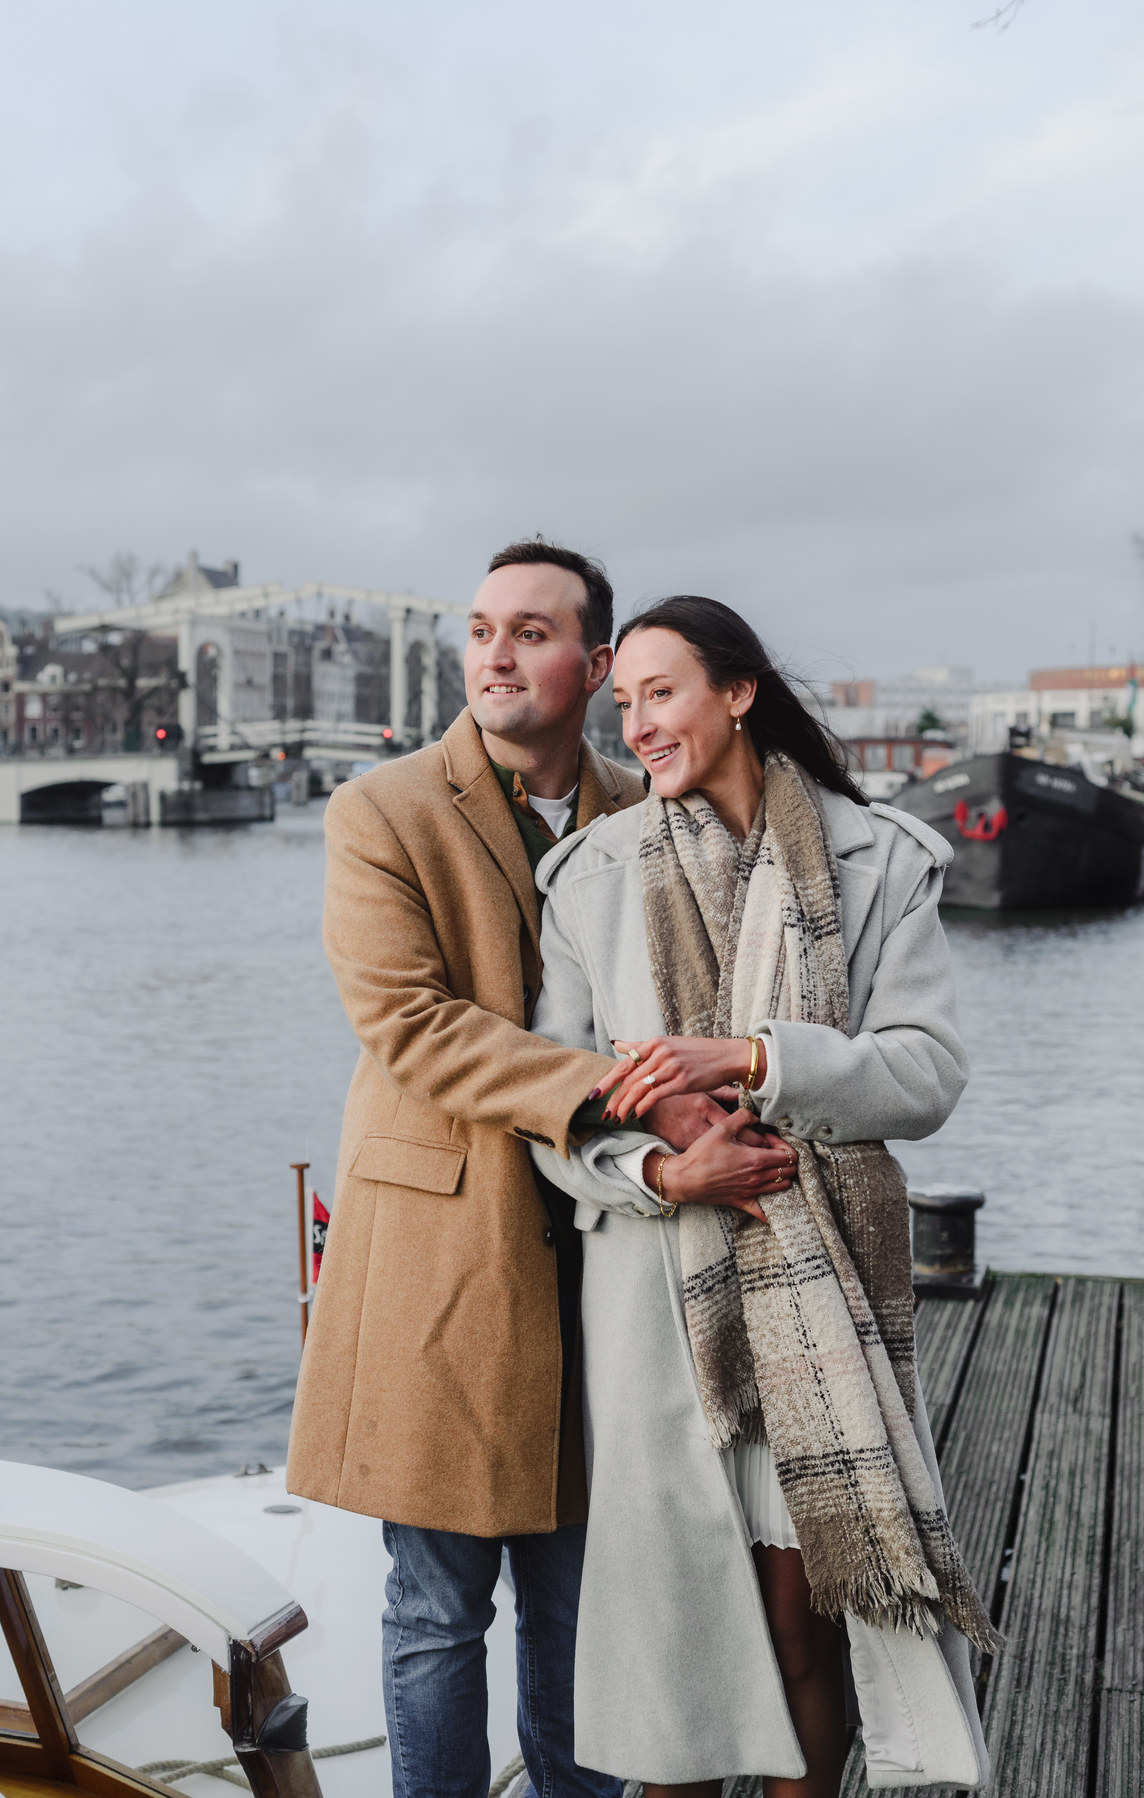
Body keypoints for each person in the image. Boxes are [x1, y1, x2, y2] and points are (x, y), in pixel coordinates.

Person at [286, 548, 776, 1798]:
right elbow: (412, 1023)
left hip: (612, 1256)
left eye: (531, 630)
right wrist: (628, 1095)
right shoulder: (381, 809)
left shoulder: (649, 805)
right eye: (480, 629)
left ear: (599, 663)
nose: (494, 654)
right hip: (447, 1258)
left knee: (586, 1600)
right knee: (440, 1605)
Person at [528, 596, 999, 1796]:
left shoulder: (881, 858)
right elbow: (555, 1106)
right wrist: (664, 1169)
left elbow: (926, 1073)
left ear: (737, 693)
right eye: (621, 701)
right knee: (672, 1660)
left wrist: (750, 1058)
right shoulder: (590, 880)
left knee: (808, 1630)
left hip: (823, 1299)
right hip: (658, 1305)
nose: (636, 723)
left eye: (662, 692)